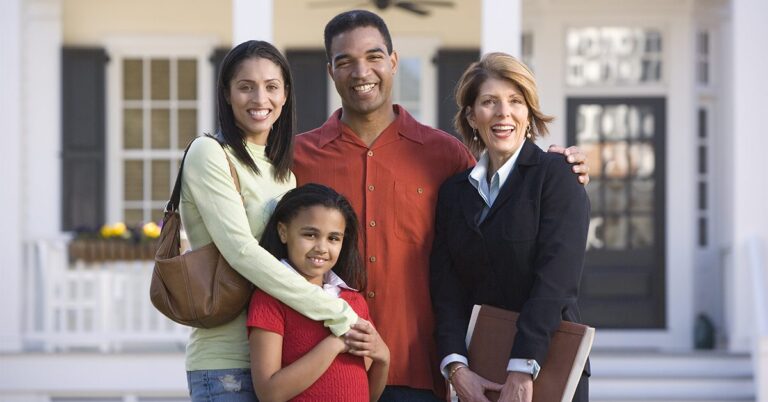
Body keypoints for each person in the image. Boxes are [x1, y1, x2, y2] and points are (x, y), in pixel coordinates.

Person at [292, 10, 590, 401]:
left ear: (394, 62)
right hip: (325, 365)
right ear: (330, 70)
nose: (361, 71)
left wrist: (563, 168)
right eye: (345, 61)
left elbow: (537, 255)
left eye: (374, 56)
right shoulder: (298, 157)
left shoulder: (445, 156)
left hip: (419, 373)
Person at [180, 40, 361, 402]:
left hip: (280, 361)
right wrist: (336, 309)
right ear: (227, 95)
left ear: (285, 95)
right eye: (245, 86)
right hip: (226, 364)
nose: (259, 98)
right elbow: (242, 253)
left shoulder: (283, 175)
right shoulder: (210, 154)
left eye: (271, 87)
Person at [430, 52, 591, 402]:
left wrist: (522, 367)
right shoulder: (453, 194)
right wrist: (457, 369)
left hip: (546, 367)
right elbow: (447, 292)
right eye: (490, 102)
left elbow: (556, 281)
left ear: (529, 114)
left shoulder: (556, 176)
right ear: (472, 116)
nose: (504, 113)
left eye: (515, 101)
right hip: (477, 374)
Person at [247, 183, 389, 402]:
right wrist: (334, 345)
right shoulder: (270, 299)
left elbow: (368, 394)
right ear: (283, 232)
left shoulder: (353, 301)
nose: (322, 247)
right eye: (310, 235)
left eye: (333, 238)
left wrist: (383, 357)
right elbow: (270, 393)